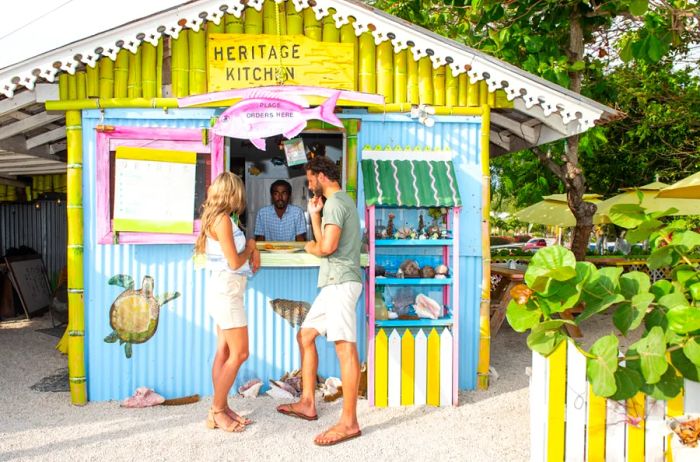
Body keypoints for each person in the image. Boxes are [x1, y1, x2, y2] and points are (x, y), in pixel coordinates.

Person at [276, 156, 363, 447]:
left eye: (310, 178)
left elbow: (325, 246)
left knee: (345, 350)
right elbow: (325, 239)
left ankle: (349, 422)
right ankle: (307, 403)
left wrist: (310, 247)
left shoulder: (337, 203)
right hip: (332, 283)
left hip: (341, 283)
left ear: (322, 175)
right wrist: (315, 215)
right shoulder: (335, 203)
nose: (309, 183)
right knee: (306, 335)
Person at [194, 172, 260, 433]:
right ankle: (218, 410)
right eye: (238, 193)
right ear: (231, 193)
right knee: (240, 353)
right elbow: (234, 261)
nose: (241, 199)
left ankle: (220, 407)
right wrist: (252, 247)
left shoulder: (220, 218)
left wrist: (251, 250)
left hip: (224, 291)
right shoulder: (222, 220)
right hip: (227, 294)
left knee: (224, 351)